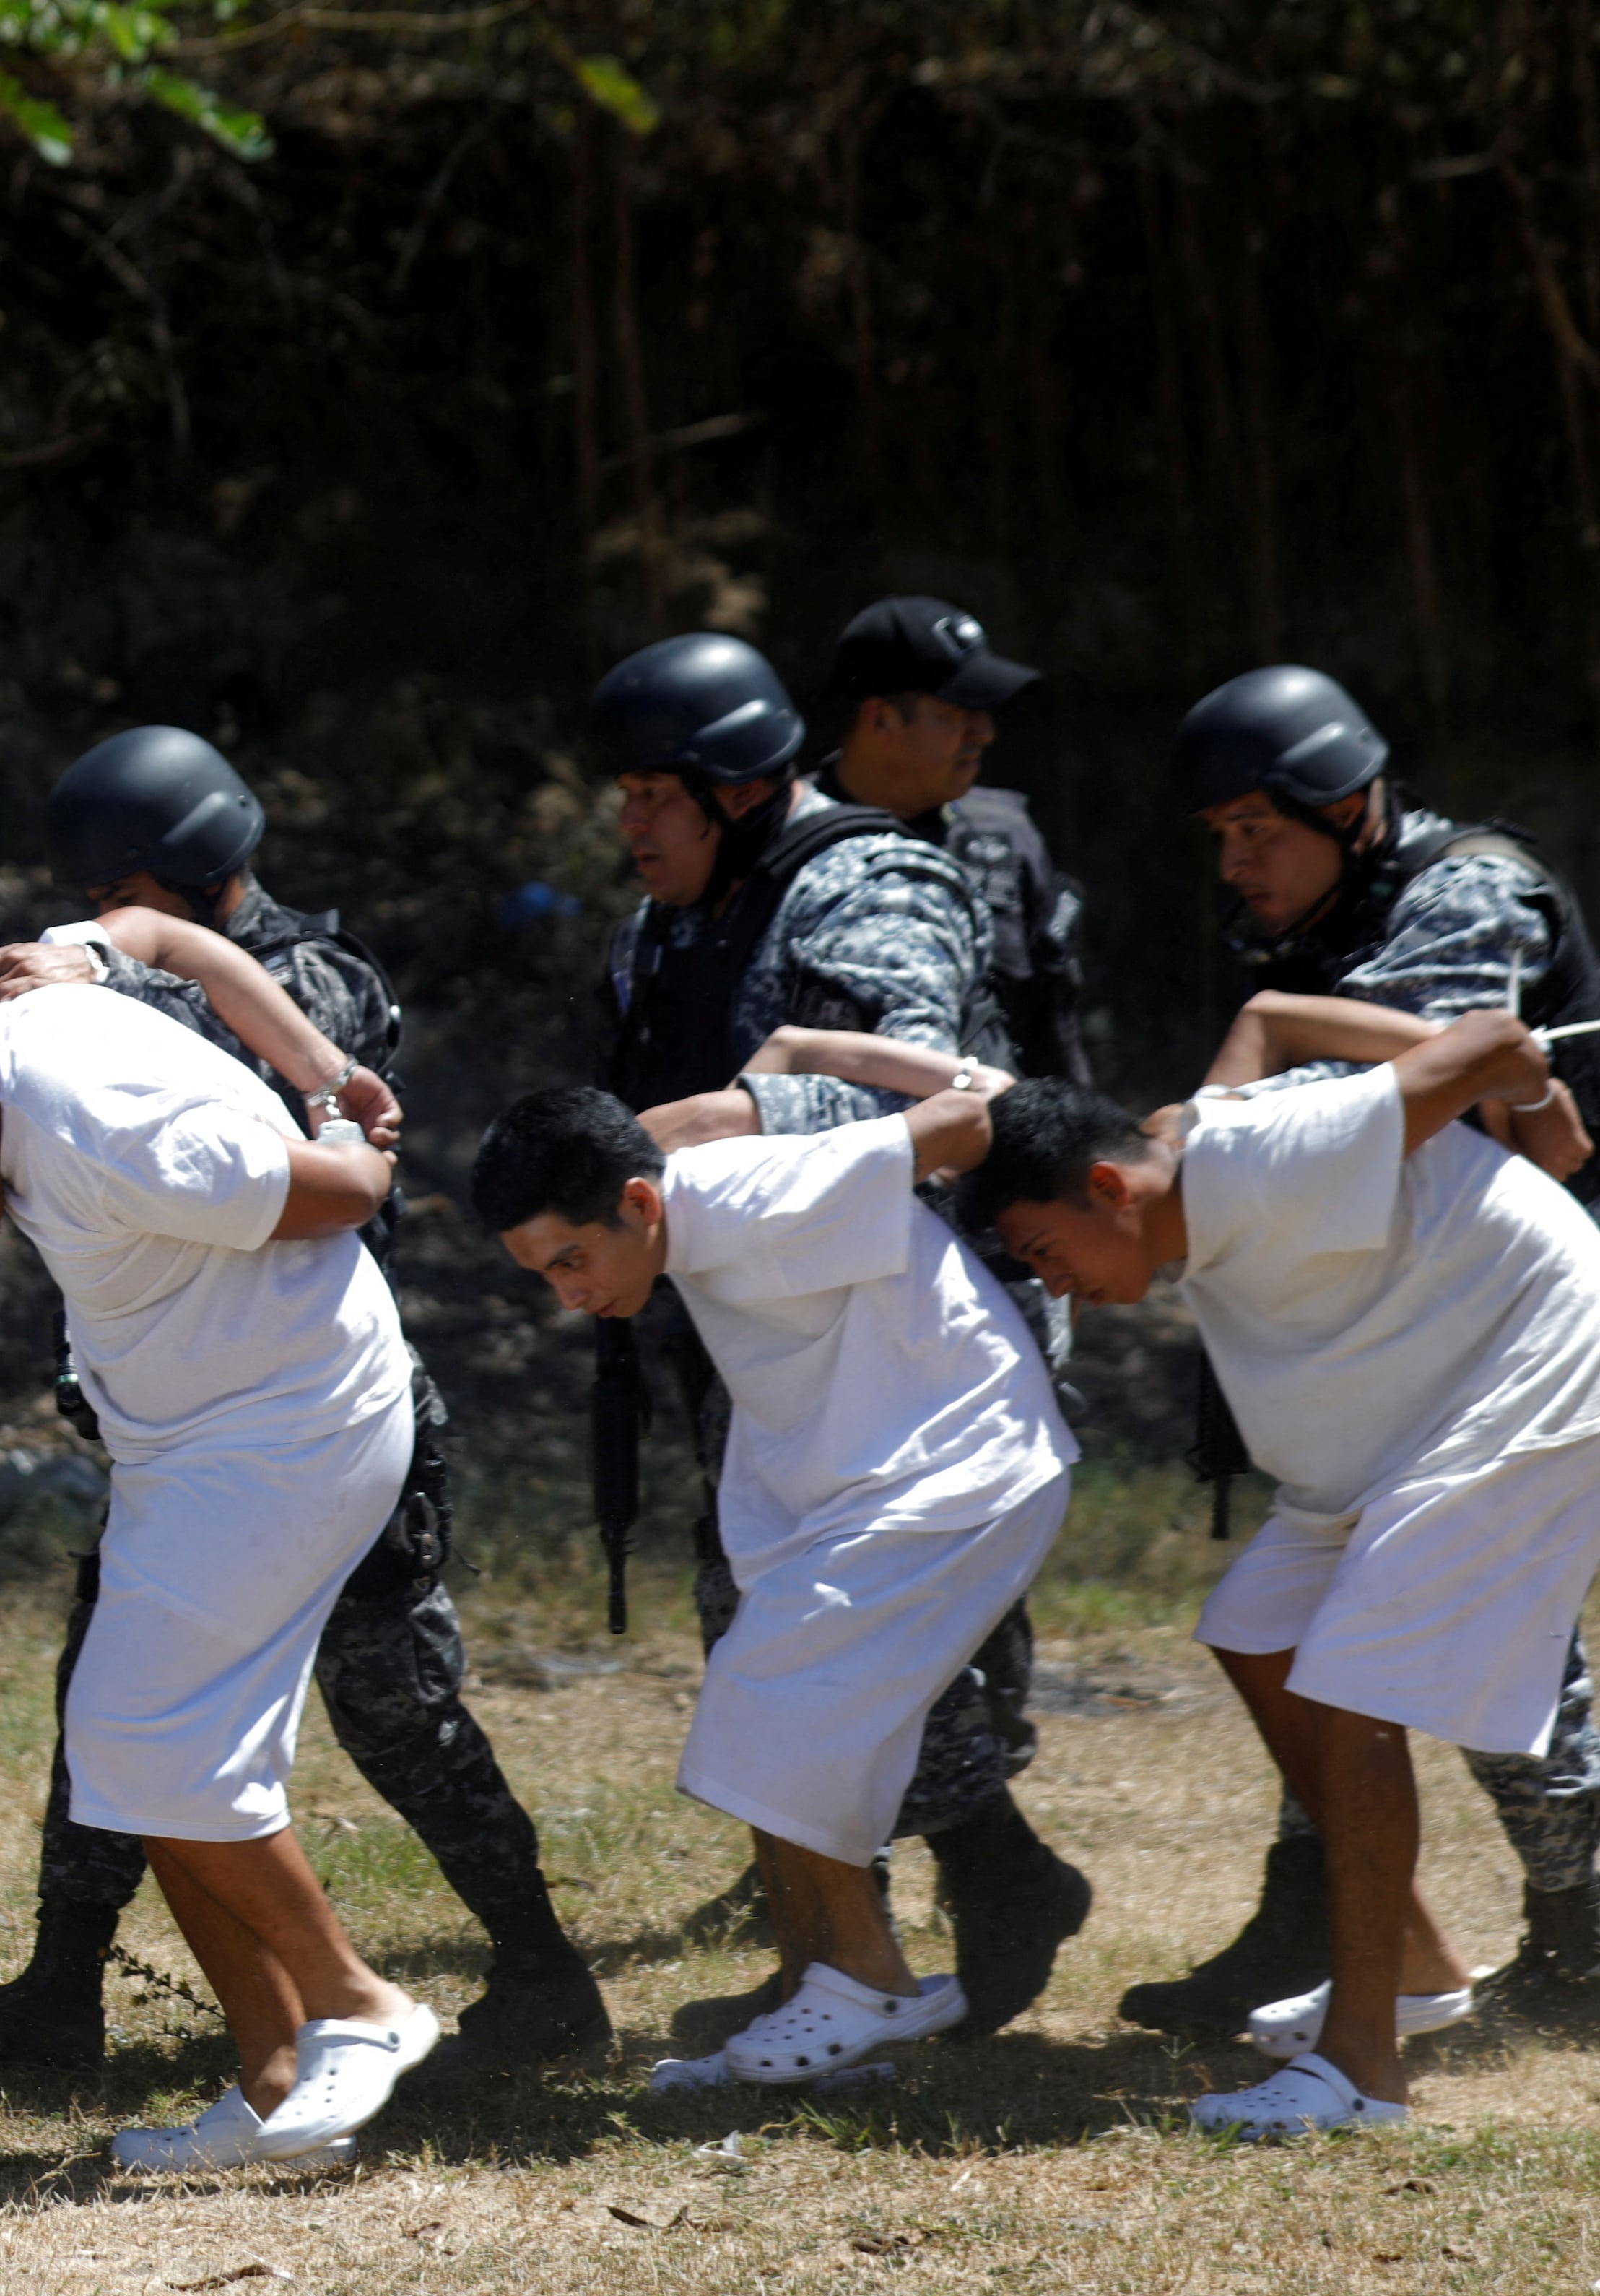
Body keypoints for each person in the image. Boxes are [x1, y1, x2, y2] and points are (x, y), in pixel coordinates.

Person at [0, 725, 604, 2084]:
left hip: (314, 1404)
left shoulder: (311, 976)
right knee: (119, 1697)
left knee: (397, 1699)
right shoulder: (127, 960)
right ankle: (64, 1984)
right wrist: (91, 962)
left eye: (110, 897)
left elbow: (248, 1118)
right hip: (190, 1414)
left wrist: (91, 969)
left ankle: (540, 1963)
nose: (93, 919)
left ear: (159, 876)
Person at [0, 989, 442, 2170]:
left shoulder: (94, 1127)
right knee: (134, 1756)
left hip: (291, 1430)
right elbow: (153, 933)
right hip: (194, 1444)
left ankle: (359, 2005)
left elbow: (346, 1196)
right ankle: (278, 2084)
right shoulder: (5, 1056)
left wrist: (346, 1109)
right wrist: (88, 949)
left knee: (152, 1738)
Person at [583, 634, 1088, 2040]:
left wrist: (695, 1132)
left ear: (737, 790)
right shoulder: (670, 916)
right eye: (619, 794)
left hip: (906, 1346)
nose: (628, 823)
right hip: (761, 1328)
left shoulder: (869, 884)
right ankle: (833, 1950)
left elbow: (916, 1111)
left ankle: (988, 1886)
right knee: (758, 1624)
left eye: (652, 794)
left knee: (869, 1648)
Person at [969, 1010, 1600, 2132]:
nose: (1055, 1288)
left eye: (1044, 1253)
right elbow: (1260, 1020)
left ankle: (1363, 2074)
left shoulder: (1281, 1148)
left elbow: (1500, 1038)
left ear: (1110, 1187)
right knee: (1258, 1628)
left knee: (1350, 1693)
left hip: (1532, 1377)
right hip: (1401, 1418)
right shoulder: (1185, 1162)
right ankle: (1410, 1965)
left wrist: (1545, 1110)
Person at [1120, 664, 1600, 2036]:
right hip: (1402, 1332)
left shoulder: (1462, 893)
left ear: (1348, 804)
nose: (1237, 861)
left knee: (1510, 1660)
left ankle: (1580, 1926)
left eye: (1257, 831)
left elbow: (1371, 1104)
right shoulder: (1332, 913)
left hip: (1509, 1333)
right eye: (1218, 836)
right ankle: (1323, 1912)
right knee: (1318, 1634)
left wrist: (1217, 1111)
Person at [474, 1058, 1074, 2093]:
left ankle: (873, 1989)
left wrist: (819, 1056)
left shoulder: (762, 1188)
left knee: (776, 1708)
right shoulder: (674, 1206)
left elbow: (971, 1113)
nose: (570, 1294)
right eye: (544, 1274)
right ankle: (824, 1997)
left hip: (960, 1468)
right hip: (867, 1480)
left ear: (637, 1203)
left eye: (573, 1259)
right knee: (766, 1717)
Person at [816, 599, 1089, 1083]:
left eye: (983, 711)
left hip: (999, 1137)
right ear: (880, 720)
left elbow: (1054, 1032)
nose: (984, 733)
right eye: (955, 712)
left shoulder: (1004, 837)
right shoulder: (791, 846)